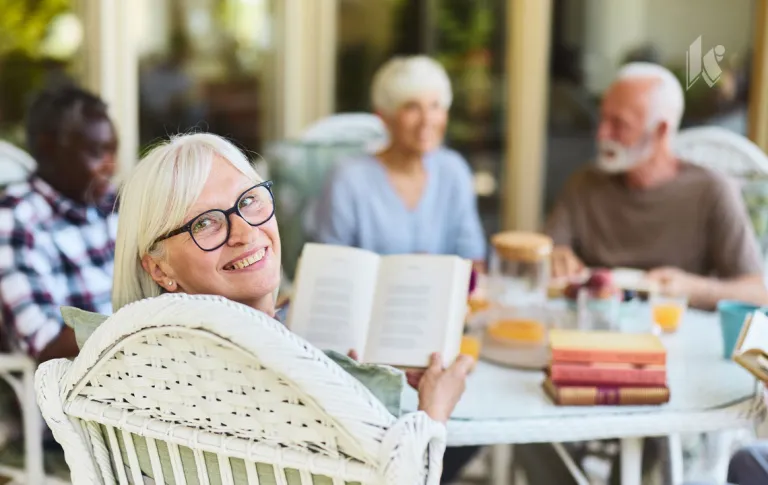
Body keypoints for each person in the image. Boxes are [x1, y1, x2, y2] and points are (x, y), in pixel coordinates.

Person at [110, 133, 473, 479]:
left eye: (249, 201)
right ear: (160, 267)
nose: (245, 233)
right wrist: (435, 412)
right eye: (205, 223)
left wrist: (354, 382)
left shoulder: (160, 363)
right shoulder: (238, 378)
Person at [546, 62, 767, 311]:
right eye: (603, 119)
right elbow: (547, 254)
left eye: (619, 124)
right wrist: (554, 258)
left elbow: (757, 293)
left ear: (661, 131)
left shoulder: (711, 191)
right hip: (595, 326)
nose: (602, 134)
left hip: (675, 333)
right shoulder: (583, 183)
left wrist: (693, 289)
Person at [314, 55, 487, 271]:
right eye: (412, 107)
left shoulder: (454, 170)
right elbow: (328, 268)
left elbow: (473, 262)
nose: (427, 120)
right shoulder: (348, 179)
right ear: (384, 117)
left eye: (435, 106)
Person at [0, 86, 119, 362]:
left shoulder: (110, 204)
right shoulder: (17, 218)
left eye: (113, 151)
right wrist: (139, 324)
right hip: (81, 385)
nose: (110, 165)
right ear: (48, 146)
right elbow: (46, 344)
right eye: (96, 152)